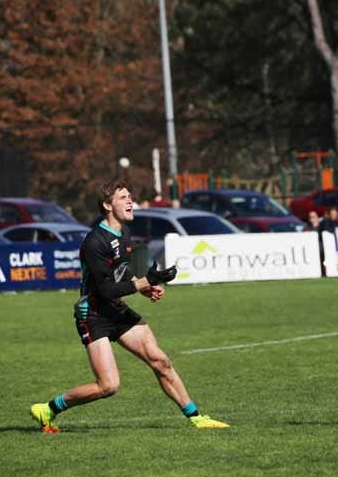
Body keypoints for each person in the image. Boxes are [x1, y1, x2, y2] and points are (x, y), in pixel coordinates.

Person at [30, 181, 229, 432]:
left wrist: (144, 287)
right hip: (92, 315)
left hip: (116, 308)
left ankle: (197, 418)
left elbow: (121, 277)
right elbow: (105, 289)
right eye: (123, 197)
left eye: (130, 197)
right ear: (107, 205)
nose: (129, 201)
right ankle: (48, 409)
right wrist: (149, 280)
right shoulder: (94, 242)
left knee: (160, 360)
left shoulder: (124, 232)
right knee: (108, 386)